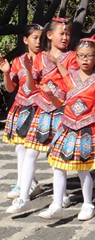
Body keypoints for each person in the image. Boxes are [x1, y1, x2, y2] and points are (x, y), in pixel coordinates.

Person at [7, 18, 76, 214]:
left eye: (67, 34)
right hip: (43, 109)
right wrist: (28, 70)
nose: (65, 37)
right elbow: (30, 86)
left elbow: (73, 81)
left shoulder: (72, 57)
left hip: (62, 109)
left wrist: (56, 62)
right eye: (61, 33)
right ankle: (23, 197)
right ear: (50, 35)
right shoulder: (39, 58)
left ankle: (59, 198)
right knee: (30, 151)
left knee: (56, 156)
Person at [40, 39, 95, 221]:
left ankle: (88, 204)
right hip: (67, 127)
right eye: (81, 56)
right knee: (58, 166)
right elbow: (59, 103)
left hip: (88, 128)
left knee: (83, 169)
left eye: (89, 56)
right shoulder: (68, 78)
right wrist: (49, 93)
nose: (85, 59)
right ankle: (57, 204)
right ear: (76, 58)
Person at [1, 25, 43, 201]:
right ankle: (25, 182)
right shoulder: (18, 61)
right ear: (25, 40)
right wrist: (7, 72)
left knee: (31, 149)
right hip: (20, 107)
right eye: (35, 37)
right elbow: (11, 88)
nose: (38, 41)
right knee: (20, 147)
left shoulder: (45, 60)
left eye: (41, 38)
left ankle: (26, 185)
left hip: (39, 107)